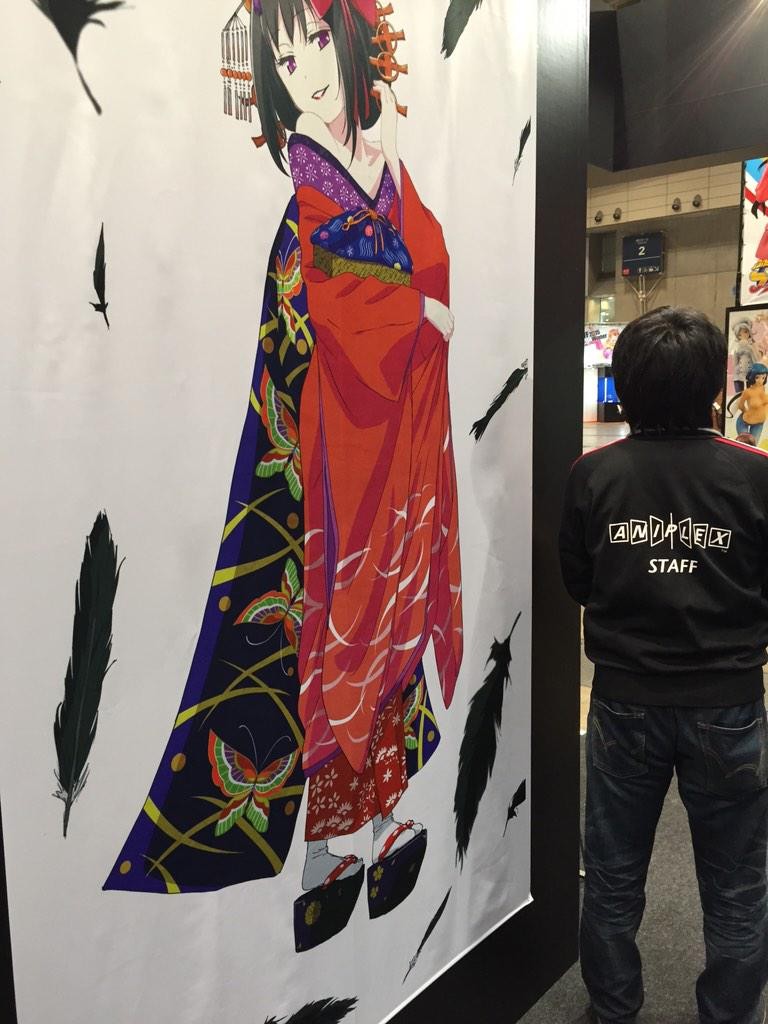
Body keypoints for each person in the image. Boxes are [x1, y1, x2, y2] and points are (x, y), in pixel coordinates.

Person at [105, 0, 463, 943]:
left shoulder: (376, 169)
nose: (306, 68)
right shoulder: (312, 189)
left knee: (384, 626)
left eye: (315, 42)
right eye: (285, 55)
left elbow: (427, 261)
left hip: (389, 453)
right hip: (329, 452)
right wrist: (417, 313)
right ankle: (325, 851)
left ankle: (380, 824)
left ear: (349, 42)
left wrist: (412, 263)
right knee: (330, 631)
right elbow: (344, 313)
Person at [560, 306, 768, 1024]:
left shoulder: (593, 475)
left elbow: (578, 581)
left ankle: (613, 1009)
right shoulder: (755, 475)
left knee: (612, 874)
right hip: (730, 704)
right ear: (714, 386)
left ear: (625, 386)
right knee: (737, 882)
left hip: (623, 703)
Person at [735, 362, 768, 444]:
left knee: (754, 446)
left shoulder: (762, 388)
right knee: (744, 445)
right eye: (757, 377)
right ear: (752, 377)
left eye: (763, 378)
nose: (760, 380)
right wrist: (746, 411)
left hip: (759, 423)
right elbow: (740, 405)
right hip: (745, 421)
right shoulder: (748, 392)